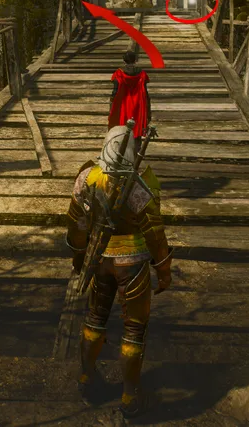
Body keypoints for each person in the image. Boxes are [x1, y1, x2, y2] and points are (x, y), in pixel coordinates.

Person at [64, 125, 172, 417]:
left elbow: (76, 224)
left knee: (95, 317)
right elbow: (155, 235)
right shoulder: (142, 183)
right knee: (134, 329)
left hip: (100, 261)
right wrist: (163, 270)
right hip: (132, 264)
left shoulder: (88, 176)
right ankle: (130, 397)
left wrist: (79, 256)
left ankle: (87, 378)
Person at [108, 50, 151, 147]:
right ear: (135, 60)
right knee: (137, 129)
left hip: (124, 104)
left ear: (124, 60)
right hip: (138, 104)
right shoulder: (142, 74)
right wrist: (148, 112)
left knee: (122, 128)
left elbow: (114, 93)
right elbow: (146, 94)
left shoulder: (119, 74)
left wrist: (111, 108)